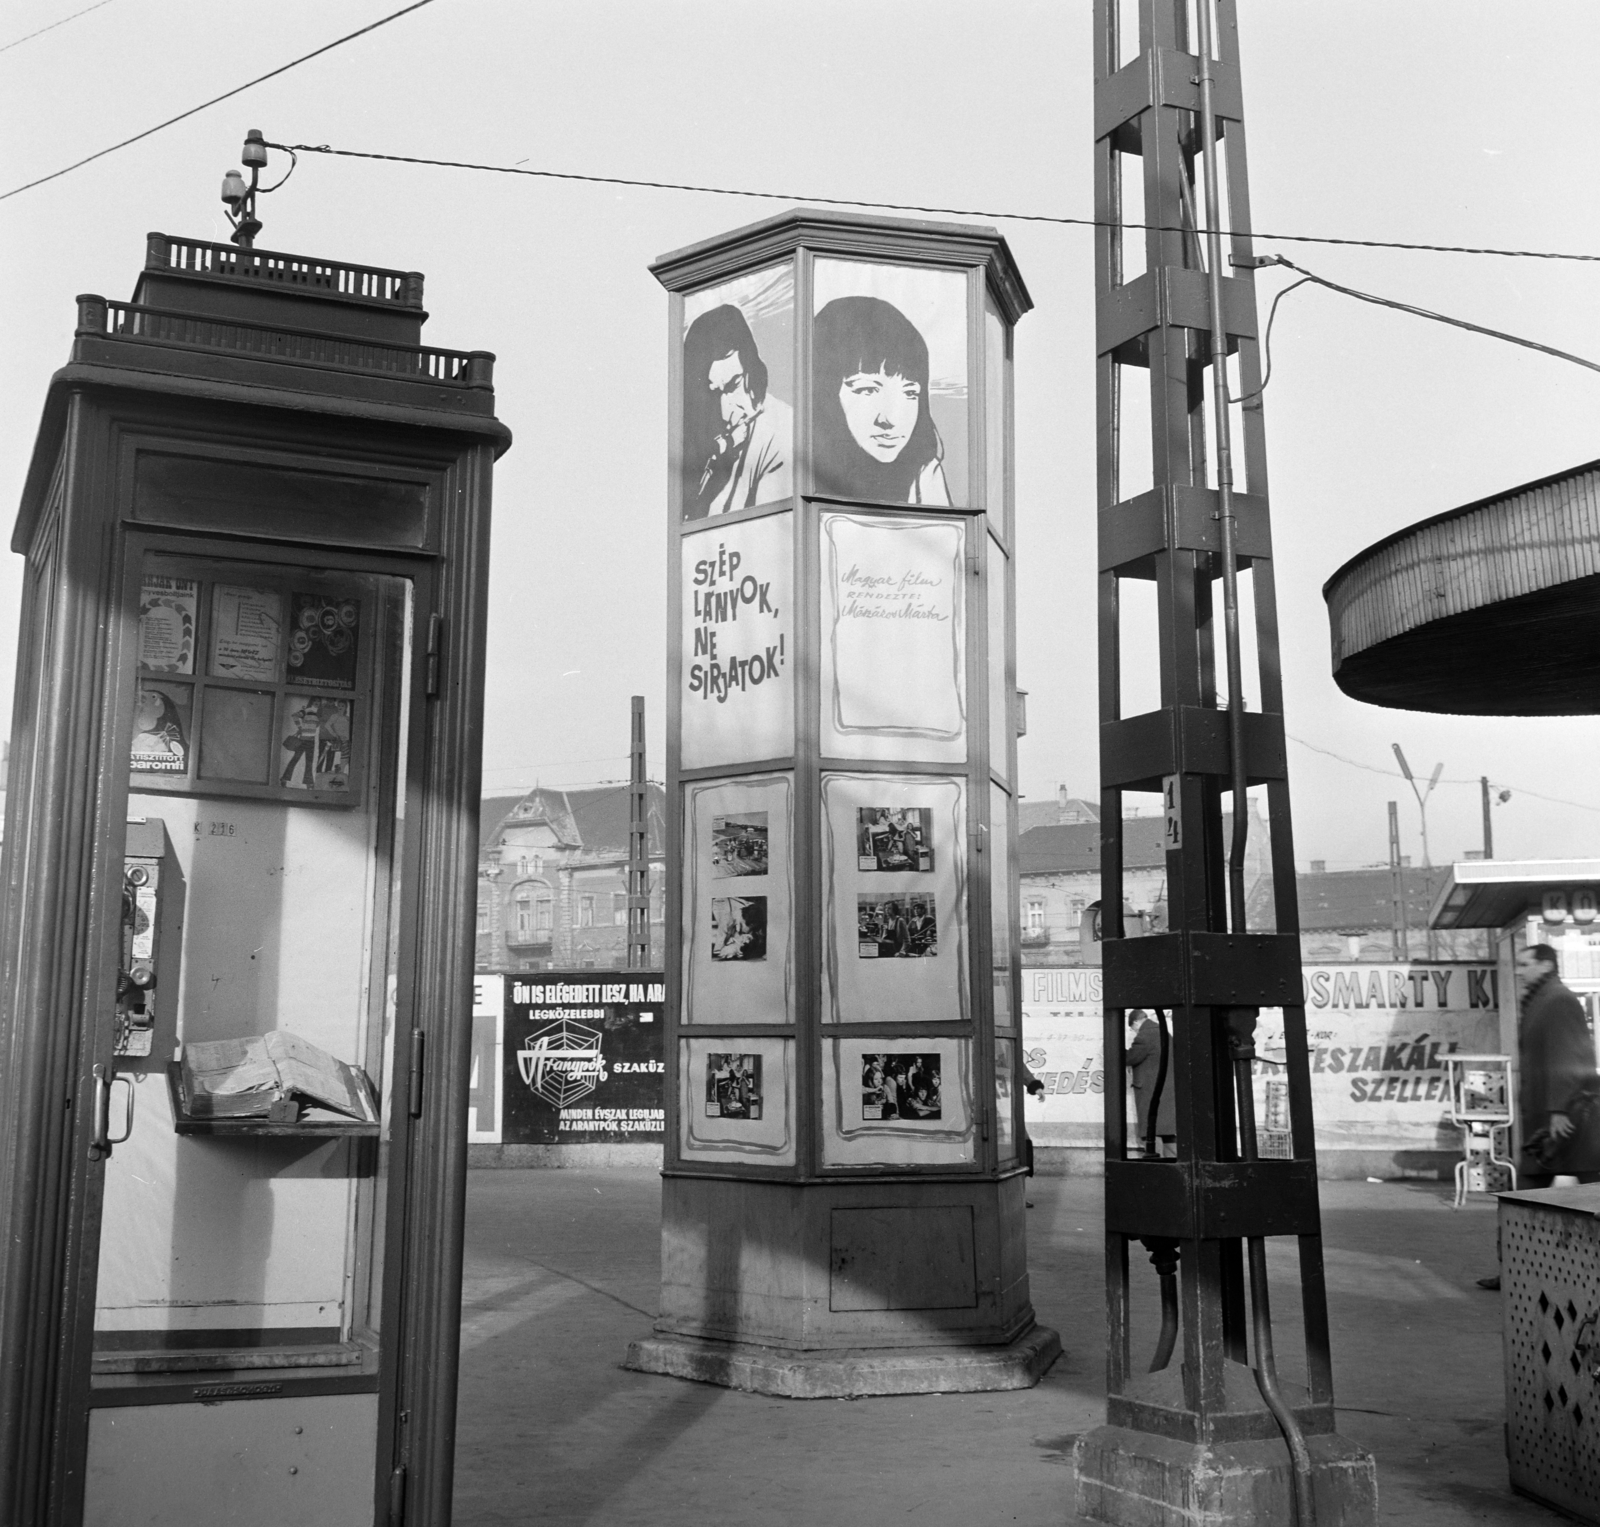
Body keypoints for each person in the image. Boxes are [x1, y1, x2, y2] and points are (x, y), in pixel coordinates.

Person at [812, 295, 952, 505]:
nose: (889, 420)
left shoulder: (924, 477)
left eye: (910, 394)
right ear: (826, 391)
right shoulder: (801, 471)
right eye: (867, 390)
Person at [682, 304, 792, 518]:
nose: (726, 410)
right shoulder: (714, 437)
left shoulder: (783, 428)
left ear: (752, 367)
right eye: (715, 394)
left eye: (734, 385)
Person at [1515, 943, 1600, 1188]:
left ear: (1546, 965)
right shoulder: (1543, 999)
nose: (1519, 972)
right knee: (1586, 1182)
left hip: (1563, 1117)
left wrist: (1558, 1109)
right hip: (1553, 1117)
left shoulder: (1557, 1000)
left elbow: (1565, 1055)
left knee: (1532, 1189)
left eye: (1524, 965)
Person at [1126, 1009, 1176, 1158]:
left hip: (1150, 1090)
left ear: (1136, 1022)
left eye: (1132, 1028)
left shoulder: (1145, 1035)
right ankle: (1172, 1162)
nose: (1134, 1031)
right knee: (1166, 1130)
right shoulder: (1162, 1032)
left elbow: (1131, 1058)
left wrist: (1112, 1049)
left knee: (1152, 1130)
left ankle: (1156, 1162)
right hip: (1165, 1089)